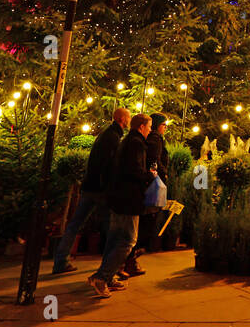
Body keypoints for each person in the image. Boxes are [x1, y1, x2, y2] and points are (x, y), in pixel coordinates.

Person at [53, 108, 128, 275]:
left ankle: (61, 260)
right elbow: (109, 166)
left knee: (75, 224)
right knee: (111, 228)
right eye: (128, 117)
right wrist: (109, 188)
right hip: (101, 190)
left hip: (89, 186)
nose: (129, 120)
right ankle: (109, 268)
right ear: (122, 119)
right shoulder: (114, 137)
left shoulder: (105, 135)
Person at [89, 113, 155, 297]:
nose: (150, 130)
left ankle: (106, 277)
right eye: (149, 127)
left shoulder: (126, 141)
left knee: (115, 238)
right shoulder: (136, 143)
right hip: (128, 200)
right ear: (141, 127)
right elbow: (135, 171)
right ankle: (102, 277)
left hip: (118, 198)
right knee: (128, 240)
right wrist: (150, 175)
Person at [129, 112, 170, 263]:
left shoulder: (151, 138)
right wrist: (162, 173)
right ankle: (133, 254)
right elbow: (154, 160)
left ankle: (133, 254)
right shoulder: (155, 138)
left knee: (147, 219)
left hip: (150, 182)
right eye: (164, 125)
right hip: (152, 184)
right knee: (148, 218)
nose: (165, 128)